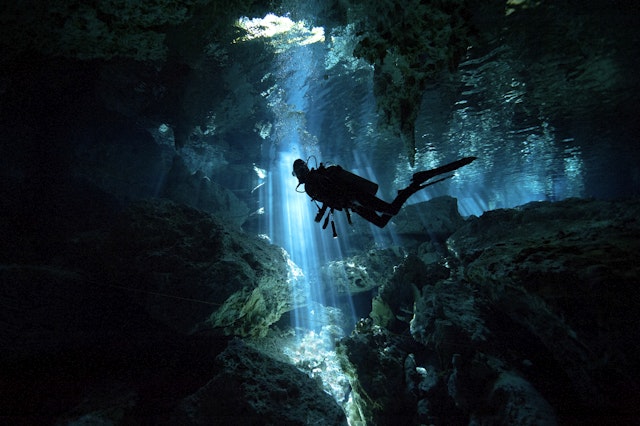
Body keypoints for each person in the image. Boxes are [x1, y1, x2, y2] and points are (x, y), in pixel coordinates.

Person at [292, 156, 476, 234]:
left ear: (299, 173)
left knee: (392, 210)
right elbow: (330, 198)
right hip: (354, 204)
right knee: (381, 223)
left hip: (355, 198)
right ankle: (408, 189)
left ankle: (412, 187)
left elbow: (332, 196)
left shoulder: (312, 183)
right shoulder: (316, 179)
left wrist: (326, 212)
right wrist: (326, 212)